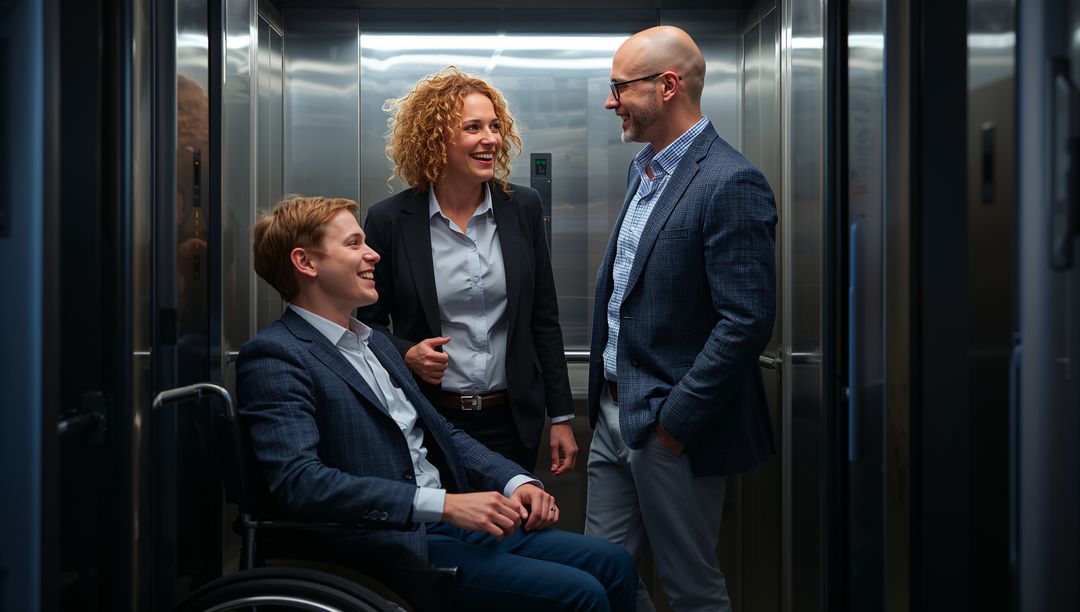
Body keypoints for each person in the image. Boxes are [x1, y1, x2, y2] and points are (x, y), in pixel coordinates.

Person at [237, 195, 636, 611]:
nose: (373, 254)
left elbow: (442, 431)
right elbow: (302, 483)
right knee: (582, 593)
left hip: (442, 526)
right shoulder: (277, 356)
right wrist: (445, 506)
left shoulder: (375, 345)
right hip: (387, 543)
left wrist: (515, 481)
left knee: (615, 563)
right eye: (354, 244)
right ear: (305, 263)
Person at [584, 26, 778, 612]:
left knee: (692, 590)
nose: (610, 102)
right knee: (600, 577)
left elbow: (745, 321)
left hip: (669, 429)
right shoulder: (642, 171)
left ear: (666, 86)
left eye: (620, 87)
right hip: (612, 413)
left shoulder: (729, 180)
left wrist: (673, 426)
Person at [357, 67, 578, 475]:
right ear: (435, 138)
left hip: (512, 421)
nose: (490, 139)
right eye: (473, 127)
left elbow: (543, 317)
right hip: (429, 418)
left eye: (495, 126)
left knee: (513, 515)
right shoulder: (390, 220)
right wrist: (406, 353)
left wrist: (561, 416)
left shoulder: (522, 207)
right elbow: (364, 324)